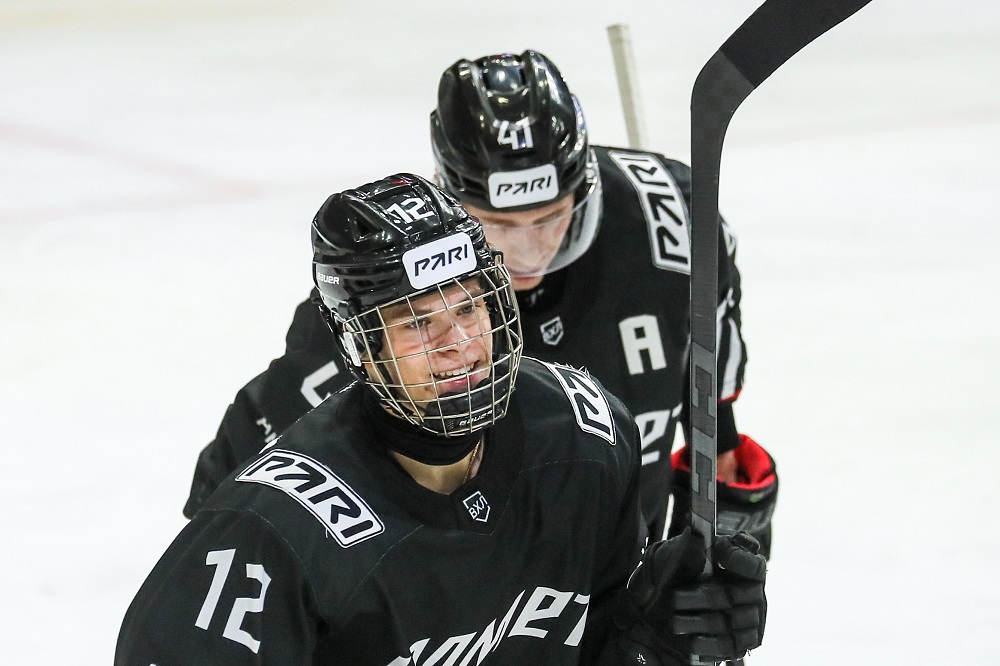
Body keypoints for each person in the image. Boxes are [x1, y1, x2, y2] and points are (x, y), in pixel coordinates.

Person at [116, 174, 767, 665]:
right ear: (358, 346)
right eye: (416, 322)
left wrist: (659, 636)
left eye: (468, 306)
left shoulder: (586, 441)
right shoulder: (272, 538)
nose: (456, 342)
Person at [182, 50, 777, 555]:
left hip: (618, 587)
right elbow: (240, 474)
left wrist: (724, 456)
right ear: (451, 199)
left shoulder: (668, 223)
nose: (526, 251)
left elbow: (711, 389)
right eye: (497, 224)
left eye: (549, 217)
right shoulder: (383, 296)